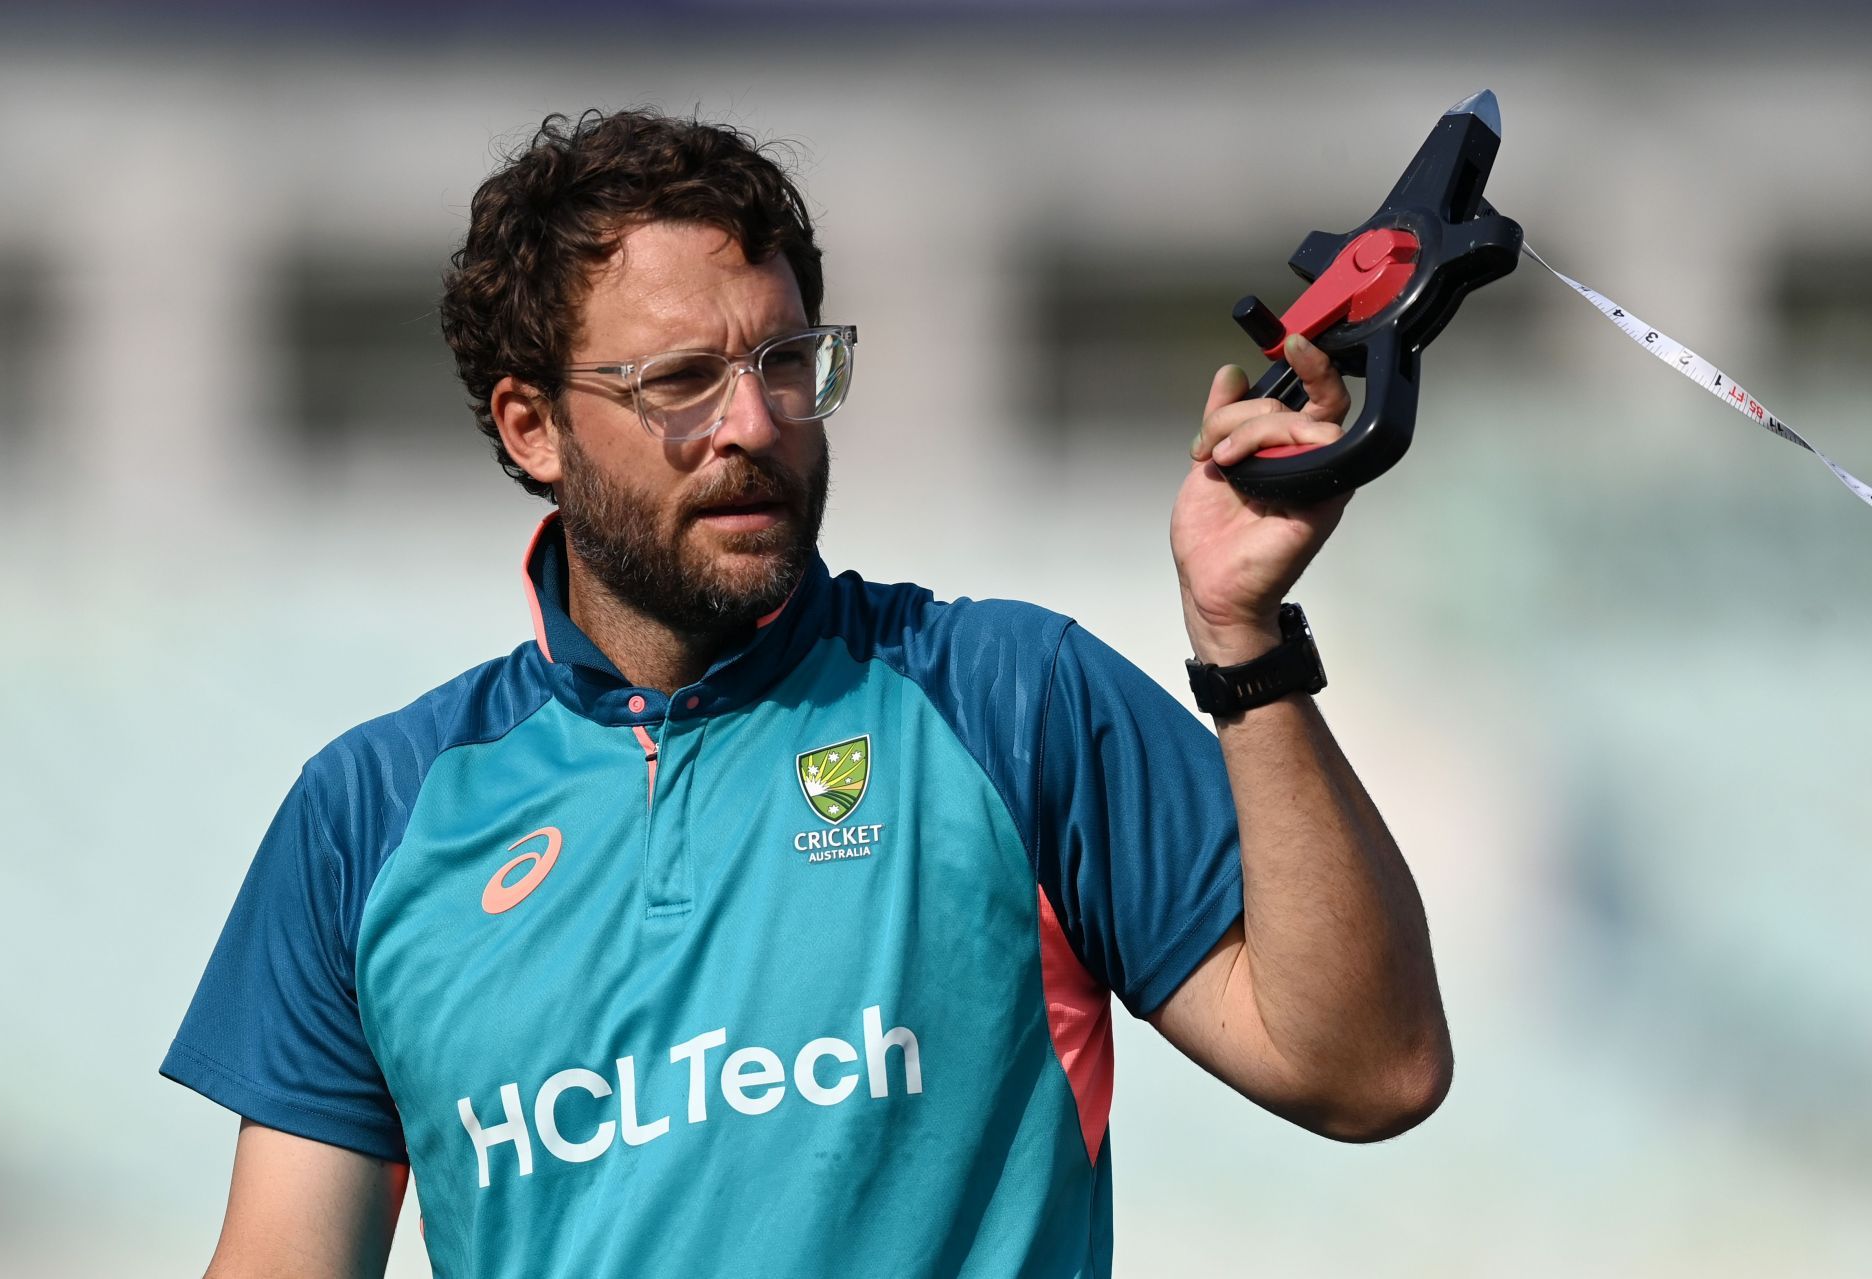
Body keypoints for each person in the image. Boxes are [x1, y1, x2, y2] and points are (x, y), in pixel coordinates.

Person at [163, 108, 1450, 1278]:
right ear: (530, 427)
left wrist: (1244, 633)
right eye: (679, 381)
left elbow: (1369, 1069)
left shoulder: (1007, 697)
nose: (755, 424)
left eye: (787, 364)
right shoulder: (367, 816)